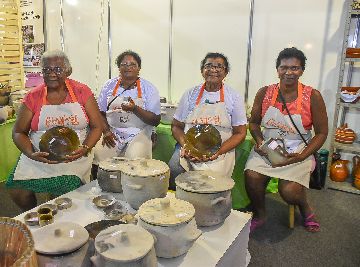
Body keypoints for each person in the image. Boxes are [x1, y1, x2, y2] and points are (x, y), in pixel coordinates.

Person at [244, 47, 328, 233]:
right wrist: (259, 141)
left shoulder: (312, 96)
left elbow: (322, 133)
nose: (289, 72)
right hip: (269, 147)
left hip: (298, 149)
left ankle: (306, 208)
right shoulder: (265, 93)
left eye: (295, 68)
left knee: (289, 191)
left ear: (302, 71)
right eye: (284, 67)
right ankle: (260, 214)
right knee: (252, 176)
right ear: (277, 69)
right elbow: (255, 123)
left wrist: (302, 155)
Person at [6, 50, 103, 211]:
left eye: (58, 69)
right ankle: (35, 214)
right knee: (18, 191)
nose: (52, 74)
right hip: (38, 154)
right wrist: (30, 153)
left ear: (68, 71)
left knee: (68, 192)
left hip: (74, 154)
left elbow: (97, 126)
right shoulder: (33, 96)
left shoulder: (81, 91)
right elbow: (18, 132)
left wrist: (85, 147)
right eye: (46, 69)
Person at [169, 52, 247, 190]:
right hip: (189, 147)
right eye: (209, 66)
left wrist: (218, 151)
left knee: (210, 183)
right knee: (175, 170)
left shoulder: (234, 97)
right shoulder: (190, 94)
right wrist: (186, 146)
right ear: (202, 70)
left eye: (219, 67)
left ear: (226, 72)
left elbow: (240, 133)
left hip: (221, 149)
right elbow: (176, 126)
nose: (213, 70)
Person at [94, 50, 161, 164]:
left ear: (139, 68)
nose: (128, 67)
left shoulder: (149, 88)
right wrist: (106, 132)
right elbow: (100, 113)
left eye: (132, 65)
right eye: (124, 64)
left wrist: (135, 109)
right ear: (119, 68)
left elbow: (155, 120)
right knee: (100, 156)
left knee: (135, 160)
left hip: (139, 132)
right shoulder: (108, 86)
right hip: (113, 131)